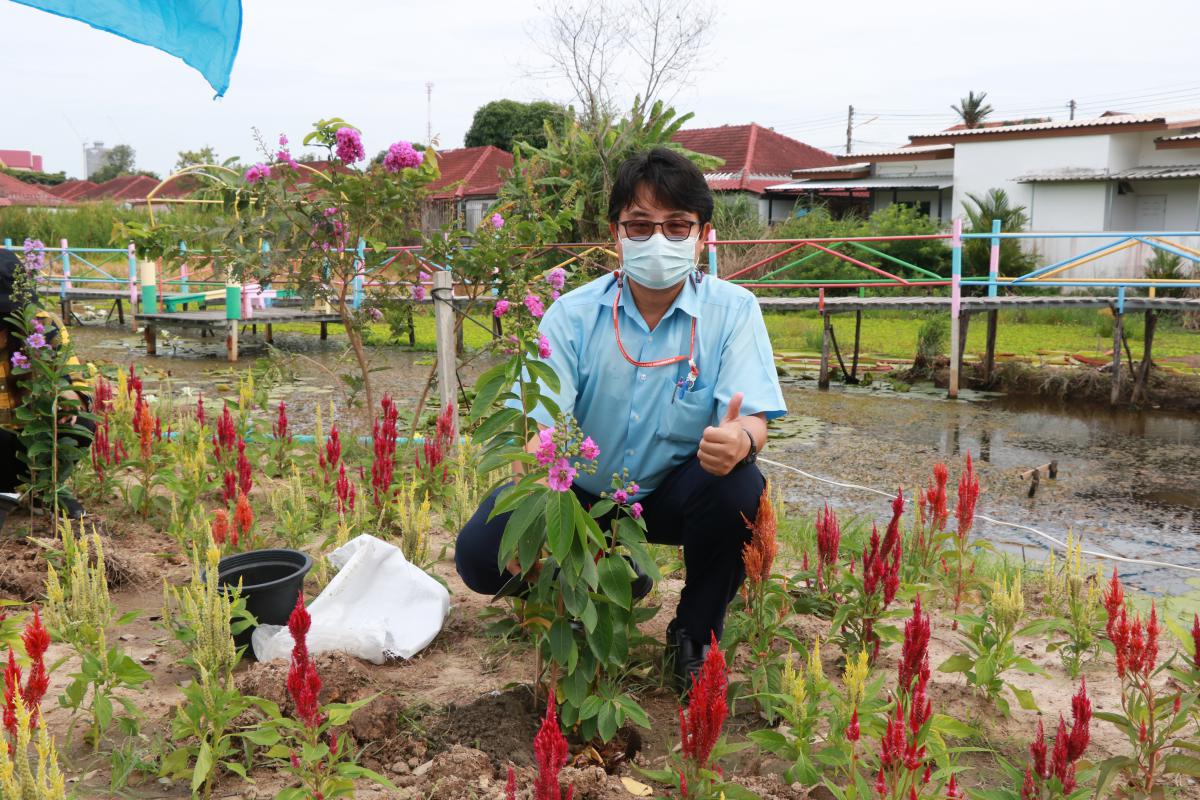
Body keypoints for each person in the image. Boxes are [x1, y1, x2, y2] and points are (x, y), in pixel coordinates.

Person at [455, 147, 786, 689]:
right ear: (616, 234)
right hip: (579, 497)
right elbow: (540, 429)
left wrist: (740, 439)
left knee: (739, 487)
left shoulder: (733, 311)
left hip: (670, 496)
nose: (658, 240)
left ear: (703, 235)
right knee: (480, 556)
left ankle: (695, 634)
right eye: (640, 225)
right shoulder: (573, 314)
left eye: (677, 226)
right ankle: (595, 583)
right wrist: (535, 508)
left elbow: (753, 420)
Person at [0, 247, 93, 525]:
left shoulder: (44, 324)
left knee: (81, 424)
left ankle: (47, 487)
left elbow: (72, 376)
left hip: (31, 436)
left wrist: (69, 398)